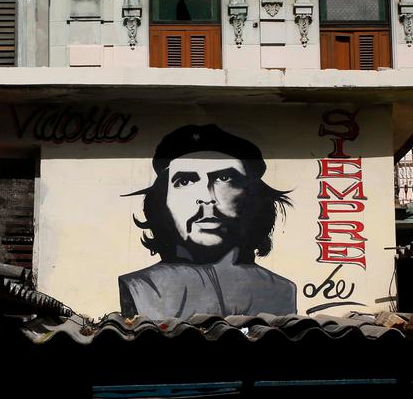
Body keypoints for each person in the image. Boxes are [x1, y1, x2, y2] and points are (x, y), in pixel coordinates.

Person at [119, 124, 296, 319]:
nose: (206, 197)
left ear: (252, 197)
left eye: (224, 177)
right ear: (163, 201)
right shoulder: (141, 286)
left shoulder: (282, 290)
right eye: (185, 181)